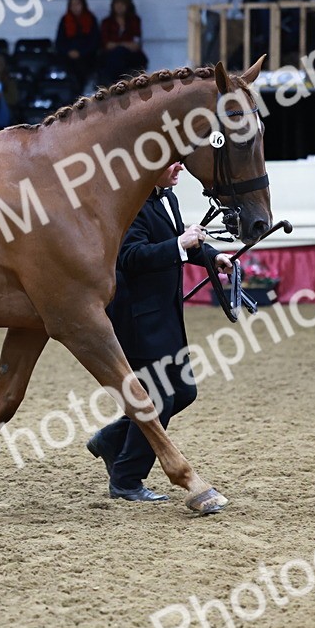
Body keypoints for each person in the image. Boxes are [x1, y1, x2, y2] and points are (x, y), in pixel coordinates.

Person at [86, 161, 234, 502]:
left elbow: (177, 244)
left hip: (165, 315)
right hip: (136, 318)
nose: (180, 165)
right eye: (172, 161)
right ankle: (126, 479)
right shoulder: (130, 204)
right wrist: (180, 243)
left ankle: (112, 440)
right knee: (158, 398)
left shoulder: (167, 198)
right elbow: (131, 257)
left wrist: (213, 256)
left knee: (183, 392)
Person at [98, 0, 149, 85]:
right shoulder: (107, 22)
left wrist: (118, 45)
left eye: (122, 4)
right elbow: (107, 45)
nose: (119, 6)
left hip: (130, 58)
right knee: (116, 55)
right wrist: (124, 44)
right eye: (117, 3)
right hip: (111, 58)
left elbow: (135, 45)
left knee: (123, 55)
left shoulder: (134, 21)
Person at [54, 0, 100, 89]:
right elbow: (59, 42)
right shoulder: (65, 20)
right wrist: (68, 52)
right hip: (68, 56)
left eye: (78, 4)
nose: (75, 7)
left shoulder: (91, 19)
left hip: (86, 55)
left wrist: (81, 52)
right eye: (72, 4)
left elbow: (94, 41)